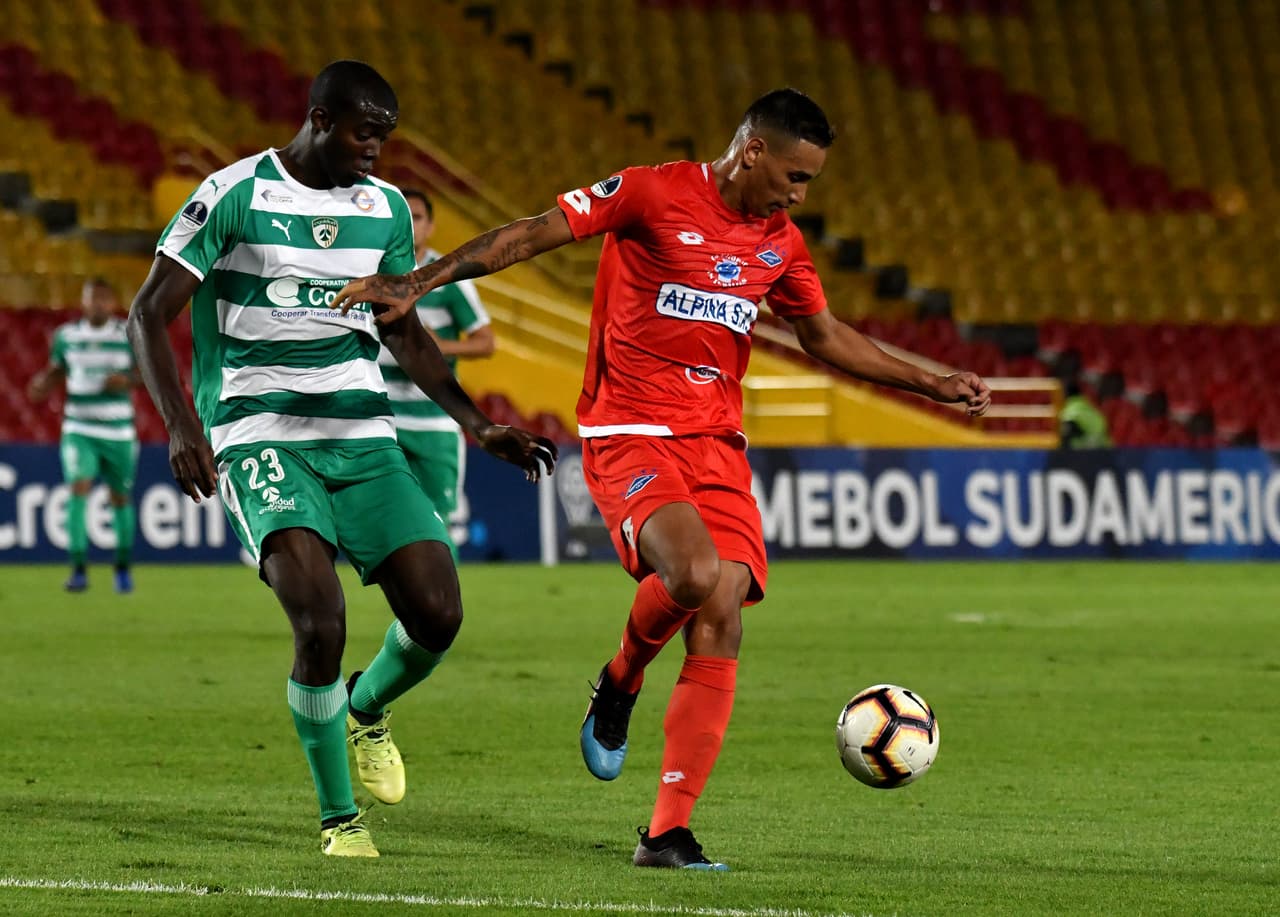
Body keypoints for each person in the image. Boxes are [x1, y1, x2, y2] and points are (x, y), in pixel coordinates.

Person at [332, 88, 991, 870]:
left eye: (809, 181)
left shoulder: (779, 243)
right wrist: (422, 281)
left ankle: (666, 831)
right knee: (693, 572)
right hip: (630, 429)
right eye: (794, 174)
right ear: (752, 151)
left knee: (724, 612)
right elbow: (534, 234)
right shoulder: (651, 191)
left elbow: (822, 335)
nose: (799, 194)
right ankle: (620, 681)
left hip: (718, 443)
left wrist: (931, 380)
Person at [126, 60, 556, 858]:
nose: (376, 153)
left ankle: (365, 708)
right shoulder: (232, 195)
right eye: (365, 134)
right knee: (318, 618)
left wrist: (475, 422)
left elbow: (401, 327)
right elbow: (147, 313)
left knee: (438, 613)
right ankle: (340, 818)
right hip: (260, 434)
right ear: (320, 119)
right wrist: (184, 428)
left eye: (385, 139)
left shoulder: (384, 208)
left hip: (364, 434)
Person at [376, 188, 495, 557]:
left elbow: (485, 342)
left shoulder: (449, 278)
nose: (411, 225)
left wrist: (437, 348)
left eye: (418, 217)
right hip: (381, 418)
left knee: (437, 523)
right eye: (404, 216)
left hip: (435, 422)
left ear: (431, 225)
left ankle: (437, 613)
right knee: (386, 526)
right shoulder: (372, 275)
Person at [28, 278, 139, 594]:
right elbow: (57, 369)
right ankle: (78, 568)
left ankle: (122, 567)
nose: (98, 305)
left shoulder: (127, 334)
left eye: (104, 299)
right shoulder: (66, 336)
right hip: (79, 427)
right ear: (83, 302)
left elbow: (146, 373)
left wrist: (128, 380)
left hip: (119, 429)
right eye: (92, 299)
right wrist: (42, 383)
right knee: (78, 487)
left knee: (119, 497)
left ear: (112, 302)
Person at [1058, 378, 1112, 448]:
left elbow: (1067, 430)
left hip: (1086, 452)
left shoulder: (1071, 410)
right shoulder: (1088, 406)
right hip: (1105, 451)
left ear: (1065, 393)